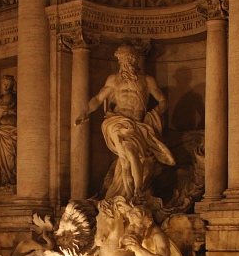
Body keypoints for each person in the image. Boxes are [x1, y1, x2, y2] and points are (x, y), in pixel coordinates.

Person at [74, 44, 175, 202]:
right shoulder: (113, 79)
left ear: (134, 60)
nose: (124, 64)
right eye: (121, 60)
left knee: (126, 160)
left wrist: (155, 113)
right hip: (116, 121)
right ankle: (138, 190)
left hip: (137, 125)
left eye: (127, 59)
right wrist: (84, 112)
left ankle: (130, 193)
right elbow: (98, 99)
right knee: (129, 152)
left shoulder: (147, 80)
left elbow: (162, 100)